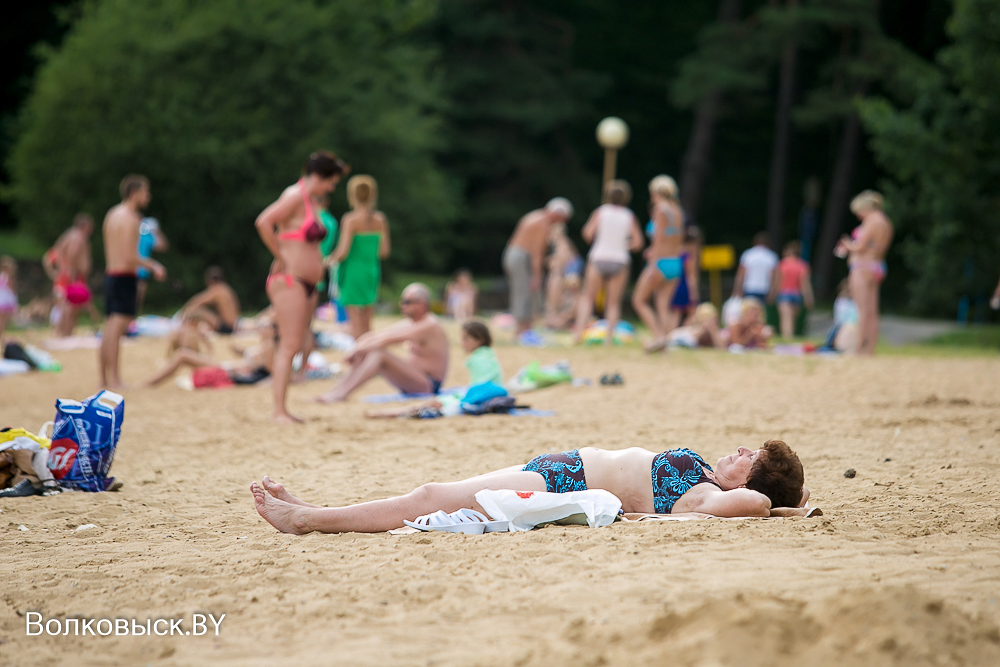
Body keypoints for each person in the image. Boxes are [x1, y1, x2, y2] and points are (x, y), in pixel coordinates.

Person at [250, 439, 807, 534]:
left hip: (558, 484)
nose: (736, 452)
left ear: (754, 479)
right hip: (555, 471)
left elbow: (756, 504)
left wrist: (785, 501)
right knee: (434, 495)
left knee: (429, 497)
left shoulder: (708, 499)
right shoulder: (706, 478)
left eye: (749, 458)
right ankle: (315, 510)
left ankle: (308, 519)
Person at [256, 151, 349, 423]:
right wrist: (280, 255)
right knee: (289, 344)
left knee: (295, 345)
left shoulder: (309, 201)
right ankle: (278, 411)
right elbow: (264, 221)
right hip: (290, 280)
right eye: (330, 182)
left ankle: (283, 408)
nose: (331, 188)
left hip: (306, 282)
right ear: (319, 176)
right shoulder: (294, 196)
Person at [315, 283, 449, 403]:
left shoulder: (429, 325)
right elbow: (376, 335)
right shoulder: (413, 323)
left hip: (428, 384)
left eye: (407, 302)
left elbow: (386, 340)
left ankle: (342, 393)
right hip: (416, 378)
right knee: (369, 350)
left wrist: (356, 350)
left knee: (378, 354)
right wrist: (358, 348)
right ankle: (336, 391)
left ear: (421, 304)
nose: (402, 305)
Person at [98, 175, 166, 389]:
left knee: (109, 328)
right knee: (116, 330)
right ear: (134, 193)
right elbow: (129, 256)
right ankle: (116, 379)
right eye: (146, 192)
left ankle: (104, 379)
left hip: (110, 275)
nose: (148, 197)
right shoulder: (131, 218)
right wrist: (153, 265)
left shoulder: (112, 214)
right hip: (124, 277)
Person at [571, 181, 644, 344]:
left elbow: (587, 233)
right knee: (613, 303)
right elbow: (638, 242)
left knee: (588, 298)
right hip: (620, 260)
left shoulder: (601, 212)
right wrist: (624, 245)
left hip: (599, 257)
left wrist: (600, 240)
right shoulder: (628, 215)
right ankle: (609, 339)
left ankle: (578, 336)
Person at [834, 190, 894, 356]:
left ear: (865, 208)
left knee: (861, 311)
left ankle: (858, 348)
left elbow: (859, 247)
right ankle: (870, 350)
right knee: (872, 311)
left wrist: (847, 244)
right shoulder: (886, 223)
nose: (859, 216)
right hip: (877, 266)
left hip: (862, 266)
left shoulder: (871, 221)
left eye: (859, 211)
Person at [503, 198, 574, 335]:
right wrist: (537, 276)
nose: (562, 222)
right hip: (520, 257)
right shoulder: (543, 223)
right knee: (525, 293)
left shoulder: (535, 216)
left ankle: (525, 329)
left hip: (513, 254)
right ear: (557, 214)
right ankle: (521, 331)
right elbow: (537, 253)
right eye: (563, 219)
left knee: (522, 292)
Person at [332, 175, 390, 340]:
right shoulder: (380, 219)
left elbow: (342, 251)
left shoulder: (350, 220)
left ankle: (359, 358)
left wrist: (329, 260)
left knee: (355, 322)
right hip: (371, 271)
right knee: (367, 322)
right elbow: (384, 251)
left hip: (352, 272)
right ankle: (369, 357)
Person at [632, 175, 684, 352]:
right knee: (663, 305)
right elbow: (676, 240)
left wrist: (653, 263)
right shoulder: (678, 211)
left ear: (655, 192)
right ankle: (665, 343)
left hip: (660, 263)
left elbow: (658, 239)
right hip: (675, 263)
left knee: (638, 300)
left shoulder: (660, 210)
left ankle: (659, 337)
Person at [43, 213, 99, 337]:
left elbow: (48, 258)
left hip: (68, 276)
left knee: (66, 306)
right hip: (74, 277)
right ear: (84, 226)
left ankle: (62, 333)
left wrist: (56, 272)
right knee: (71, 307)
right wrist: (72, 270)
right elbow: (73, 252)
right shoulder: (78, 237)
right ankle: (66, 334)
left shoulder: (67, 235)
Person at [145, 311, 213, 386]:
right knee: (183, 353)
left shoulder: (186, 330)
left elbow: (182, 348)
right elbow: (205, 344)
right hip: (191, 354)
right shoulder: (187, 330)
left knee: (182, 353)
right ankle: (148, 383)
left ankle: (148, 383)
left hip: (188, 354)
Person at [769, 241, 815, 339]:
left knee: (786, 318)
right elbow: (805, 284)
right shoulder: (802, 265)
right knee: (792, 319)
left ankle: (787, 338)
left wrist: (772, 294)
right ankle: (790, 336)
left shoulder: (782, 264)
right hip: (796, 294)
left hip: (784, 293)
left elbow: (777, 282)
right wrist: (808, 297)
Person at [664, 225, 703, 332]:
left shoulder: (676, 252)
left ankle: (670, 334)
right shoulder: (689, 256)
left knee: (675, 313)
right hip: (684, 286)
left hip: (673, 284)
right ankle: (682, 333)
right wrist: (694, 293)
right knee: (693, 312)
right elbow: (691, 276)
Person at [180, 266, 241, 334]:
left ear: (210, 280)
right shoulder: (226, 289)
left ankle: (184, 329)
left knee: (195, 311)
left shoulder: (217, 289)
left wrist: (182, 312)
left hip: (226, 328)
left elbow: (197, 301)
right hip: (232, 325)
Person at [544, 222, 582, 329]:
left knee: (564, 301)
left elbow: (559, 263)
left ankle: (558, 322)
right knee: (567, 301)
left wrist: (550, 261)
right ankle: (559, 321)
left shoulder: (562, 244)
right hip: (568, 277)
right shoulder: (566, 244)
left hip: (566, 277)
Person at [733, 232, 779, 304]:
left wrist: (737, 289)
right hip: (764, 289)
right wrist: (773, 291)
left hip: (749, 287)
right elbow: (773, 276)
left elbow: (741, 274)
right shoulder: (771, 256)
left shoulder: (748, 254)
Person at [136, 217, 169, 313]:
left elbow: (163, 246)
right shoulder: (133, 235)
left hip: (143, 272)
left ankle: (132, 322)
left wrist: (156, 231)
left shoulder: (147, 236)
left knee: (138, 301)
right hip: (131, 270)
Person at [461, 319, 502, 386]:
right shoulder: (488, 355)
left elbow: (478, 385)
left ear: (479, 339)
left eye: (466, 338)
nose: (462, 343)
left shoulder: (478, 359)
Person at [0, 256, 18, 349]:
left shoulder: (3, 276)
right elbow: (11, 288)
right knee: (3, 320)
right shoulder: (7, 277)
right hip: (5, 299)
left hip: (4, 298)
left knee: (4, 320)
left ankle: (2, 334)